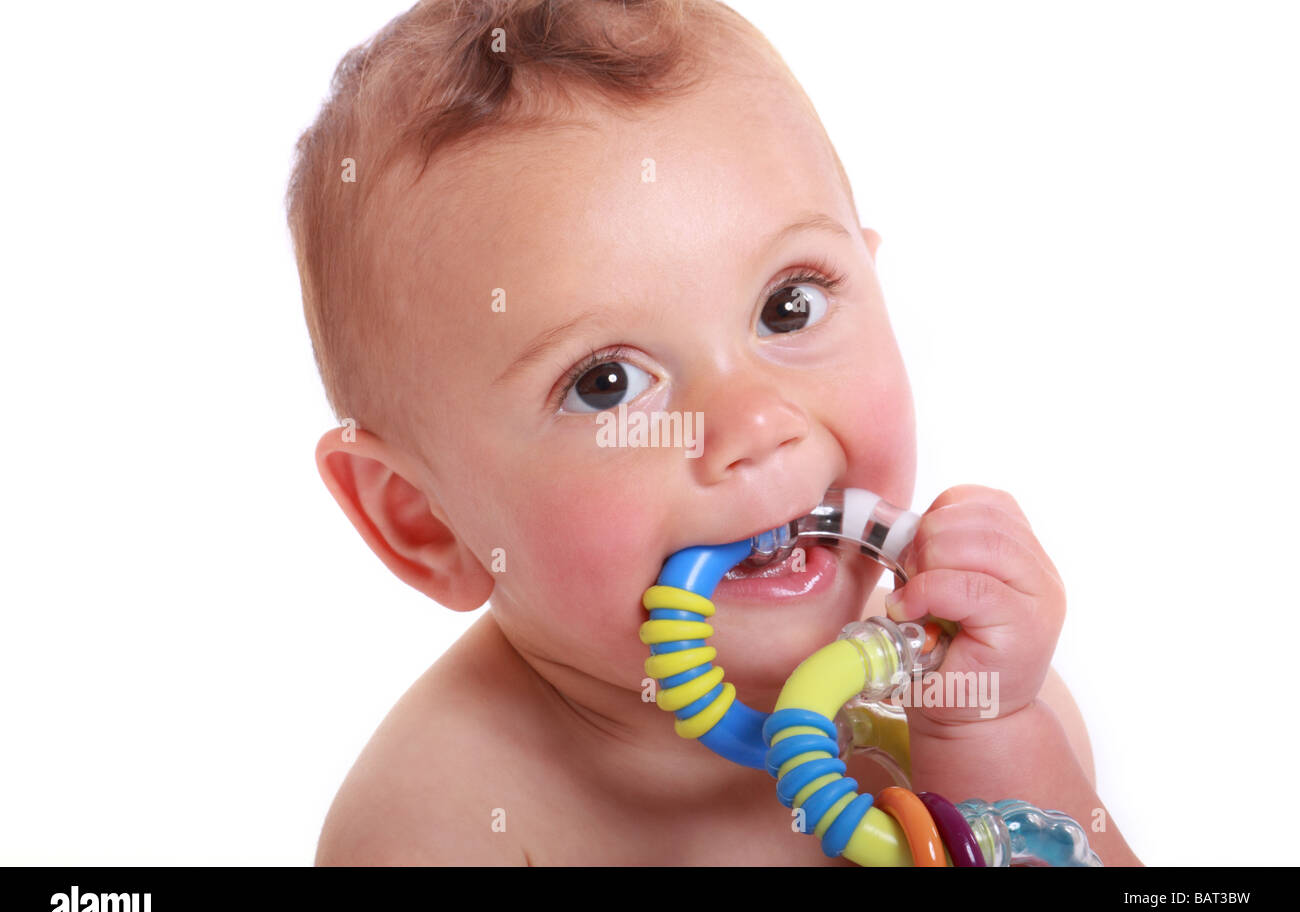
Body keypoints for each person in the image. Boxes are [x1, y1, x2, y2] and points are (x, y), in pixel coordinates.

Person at [285, 0, 1141, 865]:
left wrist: (993, 744)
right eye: (605, 383)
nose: (756, 424)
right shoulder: (435, 829)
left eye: (788, 306)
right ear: (423, 518)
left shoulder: (960, 686)